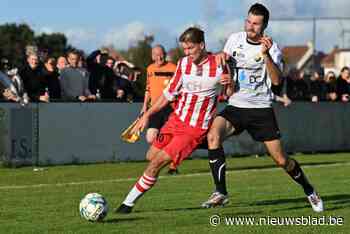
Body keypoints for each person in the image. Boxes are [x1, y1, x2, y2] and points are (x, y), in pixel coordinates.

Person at [200, 3, 323, 213]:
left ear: (264, 25)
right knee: (213, 135)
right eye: (248, 21)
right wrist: (221, 59)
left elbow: (276, 83)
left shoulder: (272, 48)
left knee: (281, 159)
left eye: (256, 23)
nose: (250, 26)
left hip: (261, 109)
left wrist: (265, 55)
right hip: (236, 105)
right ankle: (221, 192)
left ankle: (309, 189)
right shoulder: (234, 39)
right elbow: (225, 63)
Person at [115, 27, 233, 214]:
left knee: (156, 164)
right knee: (150, 156)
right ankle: (200, 147)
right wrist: (146, 115)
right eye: (184, 49)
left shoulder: (219, 65)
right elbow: (167, 95)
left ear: (201, 45)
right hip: (175, 121)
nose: (187, 53)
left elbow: (229, 94)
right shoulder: (183, 64)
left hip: (193, 128)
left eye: (190, 49)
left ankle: (126, 205)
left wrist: (229, 83)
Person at [142, 44, 179, 174]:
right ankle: (162, 158)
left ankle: (173, 167)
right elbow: (148, 89)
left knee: (173, 137)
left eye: (161, 54)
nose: (159, 57)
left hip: (170, 107)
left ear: (165, 53)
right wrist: (144, 106)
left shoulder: (174, 68)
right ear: (152, 56)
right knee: (150, 138)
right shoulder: (150, 69)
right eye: (156, 54)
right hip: (155, 108)